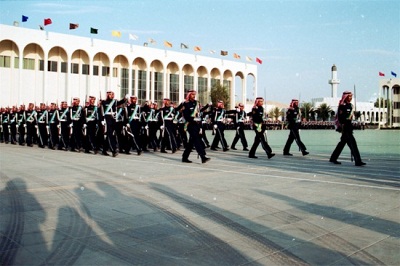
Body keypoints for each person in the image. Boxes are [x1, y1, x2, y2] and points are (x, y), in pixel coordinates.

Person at [330, 91, 366, 166]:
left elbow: (351, 117)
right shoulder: (342, 106)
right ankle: (358, 161)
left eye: (351, 96)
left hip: (349, 127)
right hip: (345, 128)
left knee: (342, 144)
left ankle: (333, 158)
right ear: (345, 97)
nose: (350, 98)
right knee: (353, 144)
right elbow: (340, 118)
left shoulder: (351, 106)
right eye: (349, 96)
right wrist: (342, 126)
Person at [175, 90, 210, 163]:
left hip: (197, 124)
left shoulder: (197, 103)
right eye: (192, 94)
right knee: (197, 140)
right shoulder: (185, 103)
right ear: (189, 95)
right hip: (189, 124)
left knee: (191, 142)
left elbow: (199, 113)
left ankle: (184, 157)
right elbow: (185, 115)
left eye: (194, 94)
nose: (194, 96)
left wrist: (207, 106)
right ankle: (202, 156)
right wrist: (192, 119)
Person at [100, 90, 127, 157]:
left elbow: (120, 102)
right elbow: (101, 111)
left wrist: (125, 98)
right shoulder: (103, 102)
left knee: (111, 135)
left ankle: (104, 150)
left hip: (113, 120)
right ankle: (114, 150)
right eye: (110, 94)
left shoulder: (114, 102)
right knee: (109, 135)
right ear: (107, 95)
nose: (111, 95)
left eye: (112, 94)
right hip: (107, 120)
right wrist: (102, 120)